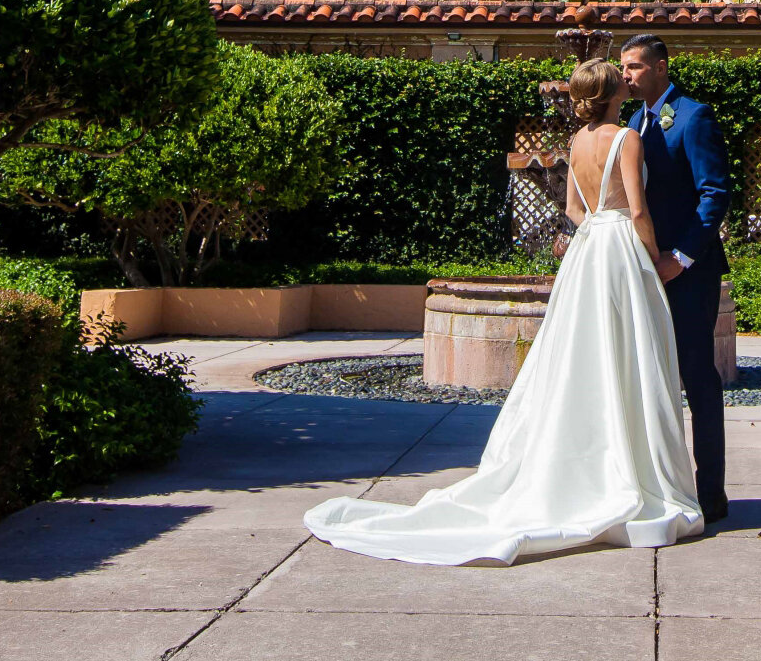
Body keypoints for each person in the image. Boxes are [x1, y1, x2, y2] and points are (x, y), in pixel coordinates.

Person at [302, 58, 702, 564]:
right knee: (632, 352)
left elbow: (575, 211)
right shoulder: (627, 139)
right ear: (611, 93)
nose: (627, 80)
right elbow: (640, 210)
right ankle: (634, 466)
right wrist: (652, 259)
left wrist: (597, 227)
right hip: (622, 249)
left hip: (587, 251)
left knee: (581, 353)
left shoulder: (577, 143)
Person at [620, 32, 729, 523]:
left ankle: (711, 496)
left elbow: (714, 194)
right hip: (643, 271)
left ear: (662, 67)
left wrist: (681, 256)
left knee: (697, 378)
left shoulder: (694, 116)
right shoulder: (631, 122)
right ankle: (662, 490)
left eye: (636, 66)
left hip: (689, 273)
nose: (627, 75)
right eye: (623, 67)